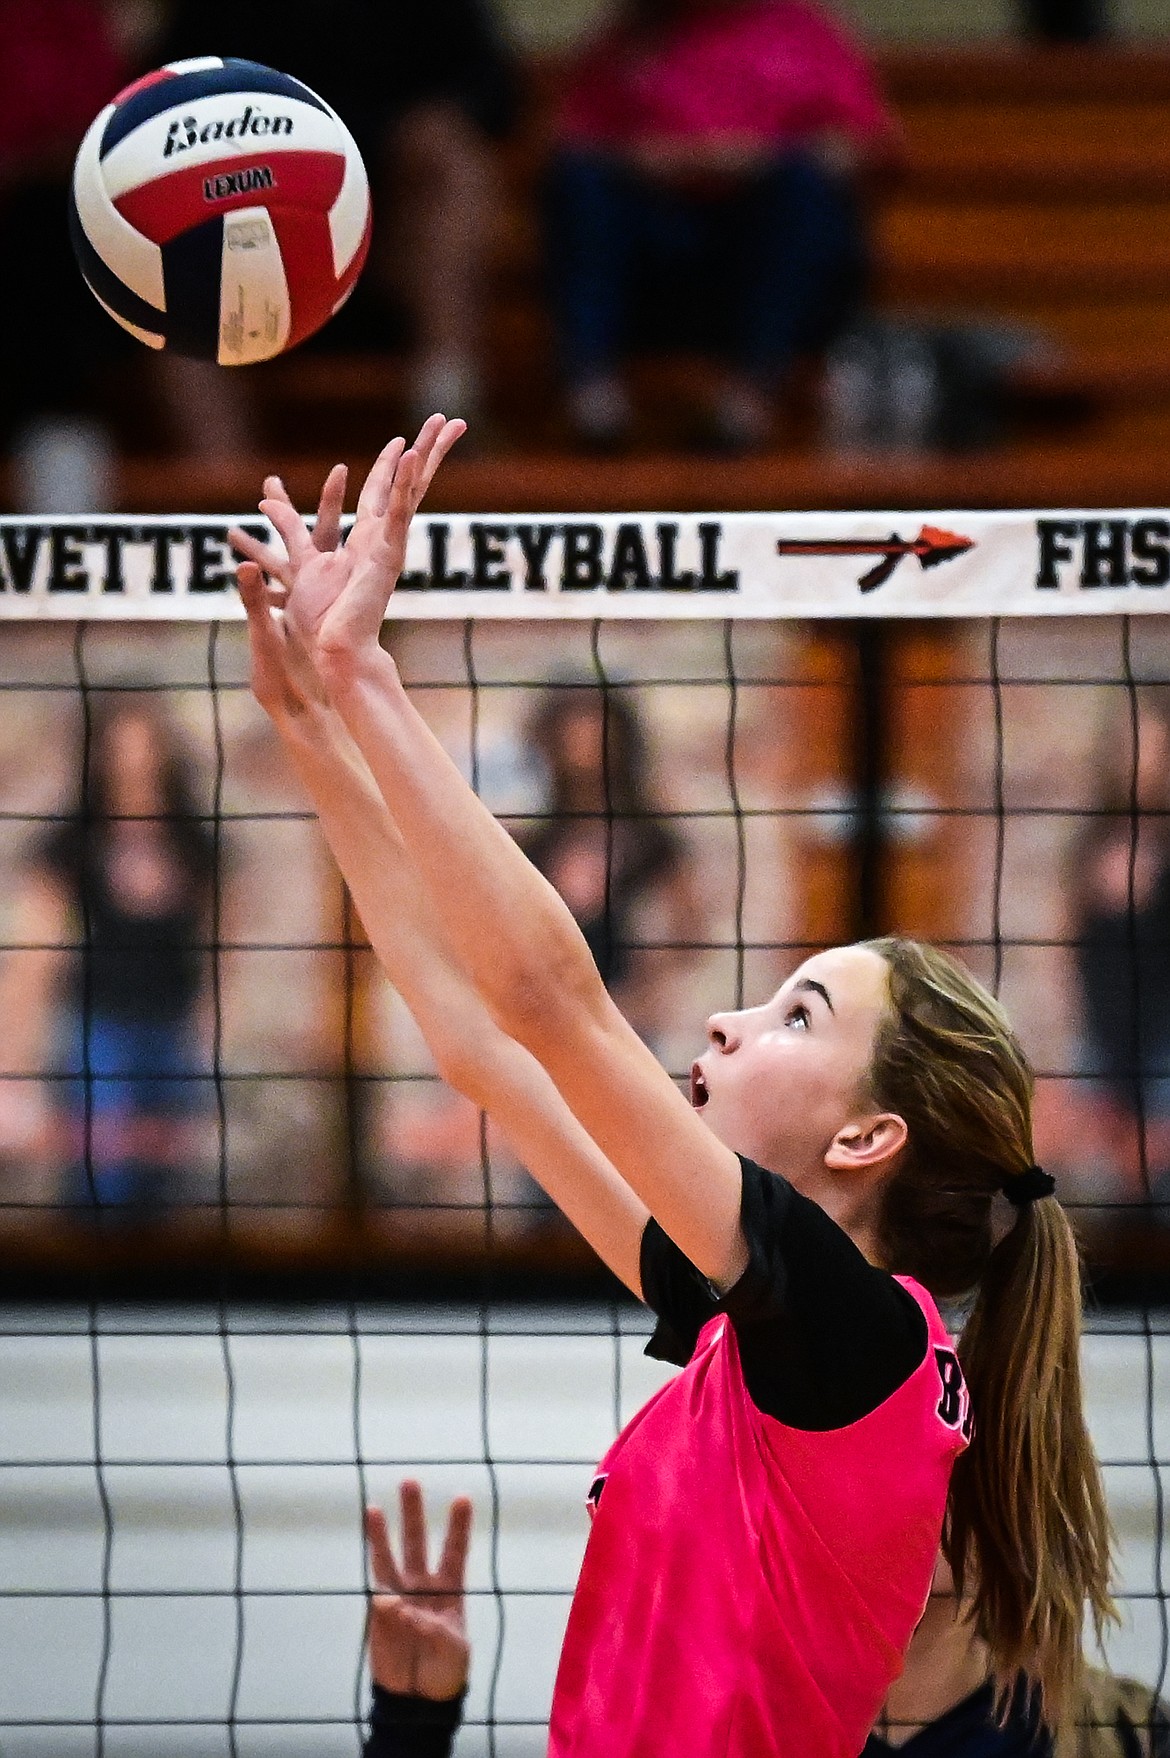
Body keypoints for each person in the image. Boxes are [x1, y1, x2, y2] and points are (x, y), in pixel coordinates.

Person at [230, 419, 1113, 1757]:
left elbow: (551, 1005)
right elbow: (486, 1047)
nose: (726, 1016)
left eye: (792, 1012)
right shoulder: (744, 1322)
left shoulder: (860, 1336)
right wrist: (310, 722)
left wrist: (365, 678)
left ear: (869, 1132)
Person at [357, 1491, 1167, 1758]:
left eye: (950, 1459)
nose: (912, 1496)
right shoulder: (710, 1730)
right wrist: (411, 1723)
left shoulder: (1120, 1733)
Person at [545, 0, 899, 451]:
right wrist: (659, 161)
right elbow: (570, 144)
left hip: (764, 253)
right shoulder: (632, 36)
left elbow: (866, 149)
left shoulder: (803, 30)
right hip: (655, 257)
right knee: (583, 183)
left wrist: (753, 160)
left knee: (805, 188)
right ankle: (591, 393)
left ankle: (751, 396)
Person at [157, 0, 519, 431]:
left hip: (394, 245)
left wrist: (434, 119)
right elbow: (167, 102)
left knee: (453, 163)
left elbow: (496, 85)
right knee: (164, 268)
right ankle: (225, 491)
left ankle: (446, 411)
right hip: (253, 247)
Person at [0, 693, 217, 1213]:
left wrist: (211, 1043)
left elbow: (220, 957)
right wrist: (12, 1068)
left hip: (173, 1030)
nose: (135, 769)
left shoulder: (196, 849)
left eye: (146, 754)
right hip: (98, 1032)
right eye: (122, 755)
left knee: (169, 1187)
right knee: (104, 1183)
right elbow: (35, 960)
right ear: (99, 763)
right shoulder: (68, 849)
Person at [1069, 694, 1170, 1207]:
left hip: (1161, 1032)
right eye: (1131, 742)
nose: (1142, 755)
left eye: (1154, 742)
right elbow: (1066, 936)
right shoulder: (1094, 837)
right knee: (1108, 1188)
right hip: (1104, 1028)